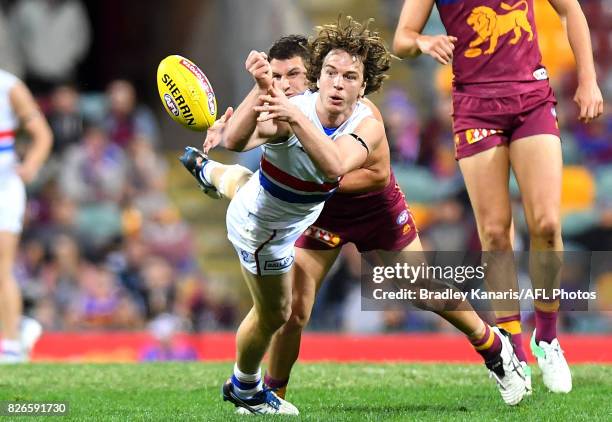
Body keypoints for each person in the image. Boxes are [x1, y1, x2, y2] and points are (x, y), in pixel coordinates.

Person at [183, 23, 527, 408]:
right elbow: (250, 141)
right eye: (278, 78)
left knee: (423, 290)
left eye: (293, 75)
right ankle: (274, 395)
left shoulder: (365, 120)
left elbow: (361, 173)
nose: (285, 85)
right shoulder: (292, 110)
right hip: (318, 214)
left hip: (373, 209)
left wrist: (298, 173)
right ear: (321, 76)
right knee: (294, 309)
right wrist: (231, 126)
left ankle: (497, 350)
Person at [393, 0, 604, 394]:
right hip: (475, 107)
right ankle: (512, 349)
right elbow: (401, 40)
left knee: (546, 223)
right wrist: (423, 41)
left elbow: (570, 9)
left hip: (532, 98)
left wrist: (588, 80)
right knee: (494, 232)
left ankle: (547, 338)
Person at [0, 68, 53, 363]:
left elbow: (43, 135)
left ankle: (9, 347)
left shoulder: (9, 87)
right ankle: (21, 328)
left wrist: (31, 165)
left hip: (4, 187)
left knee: (1, 267)